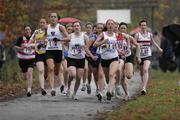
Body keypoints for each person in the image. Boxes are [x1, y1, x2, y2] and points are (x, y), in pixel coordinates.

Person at [93, 19, 120, 101]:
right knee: (108, 79)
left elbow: (120, 44)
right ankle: (111, 89)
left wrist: (122, 51)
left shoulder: (117, 35)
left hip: (114, 58)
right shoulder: (102, 34)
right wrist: (103, 42)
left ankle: (109, 91)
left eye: (112, 24)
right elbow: (95, 44)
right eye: (109, 24)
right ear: (106, 25)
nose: (111, 25)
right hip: (104, 59)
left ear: (114, 25)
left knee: (112, 74)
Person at [134, 19, 163, 95]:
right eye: (142, 25)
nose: (143, 26)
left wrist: (159, 48)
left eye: (145, 25)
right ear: (140, 26)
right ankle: (143, 84)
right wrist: (137, 45)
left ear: (146, 26)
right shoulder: (137, 35)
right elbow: (133, 45)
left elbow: (153, 42)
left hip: (148, 55)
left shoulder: (149, 34)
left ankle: (144, 88)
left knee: (145, 69)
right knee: (141, 72)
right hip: (140, 55)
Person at [116, 22, 141, 100]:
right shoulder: (116, 37)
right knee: (122, 77)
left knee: (129, 76)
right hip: (119, 57)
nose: (123, 29)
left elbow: (138, 45)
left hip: (128, 56)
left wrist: (138, 57)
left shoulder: (129, 37)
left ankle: (130, 70)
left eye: (124, 28)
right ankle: (127, 94)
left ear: (126, 29)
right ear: (119, 29)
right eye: (121, 28)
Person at [46, 12, 69, 96]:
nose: (53, 18)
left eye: (54, 17)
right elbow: (40, 36)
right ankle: (52, 89)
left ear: (57, 19)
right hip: (49, 50)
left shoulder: (60, 27)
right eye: (51, 17)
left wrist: (60, 39)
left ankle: (60, 82)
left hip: (58, 51)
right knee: (51, 68)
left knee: (56, 71)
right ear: (49, 18)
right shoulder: (46, 27)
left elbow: (68, 37)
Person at [66, 21, 89, 100]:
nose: (76, 27)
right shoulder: (70, 36)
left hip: (81, 59)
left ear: (80, 27)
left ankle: (74, 94)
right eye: (75, 26)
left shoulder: (84, 37)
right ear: (73, 28)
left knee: (79, 77)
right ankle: (68, 88)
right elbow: (62, 41)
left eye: (78, 26)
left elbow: (87, 47)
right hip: (71, 58)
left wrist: (90, 55)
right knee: (72, 74)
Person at [85, 23, 105, 101]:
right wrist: (91, 56)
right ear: (96, 29)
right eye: (98, 28)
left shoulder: (105, 36)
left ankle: (100, 91)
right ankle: (98, 88)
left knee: (100, 74)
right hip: (94, 58)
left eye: (101, 28)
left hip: (102, 58)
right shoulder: (93, 37)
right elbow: (86, 48)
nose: (100, 29)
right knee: (96, 75)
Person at [15, 25, 35, 97]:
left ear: (31, 30)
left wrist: (34, 46)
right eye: (26, 30)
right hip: (22, 59)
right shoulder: (20, 38)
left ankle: (29, 89)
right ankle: (27, 85)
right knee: (24, 76)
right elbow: (16, 46)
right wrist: (20, 48)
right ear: (24, 31)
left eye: (28, 29)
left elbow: (38, 46)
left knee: (29, 73)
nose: (27, 31)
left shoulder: (34, 38)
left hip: (32, 58)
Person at [29, 17, 48, 96]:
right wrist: (32, 45)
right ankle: (42, 88)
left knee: (46, 72)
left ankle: (45, 78)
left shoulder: (49, 31)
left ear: (46, 23)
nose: (42, 24)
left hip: (48, 54)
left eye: (43, 22)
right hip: (38, 53)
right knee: (40, 70)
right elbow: (30, 42)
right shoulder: (36, 32)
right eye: (41, 22)